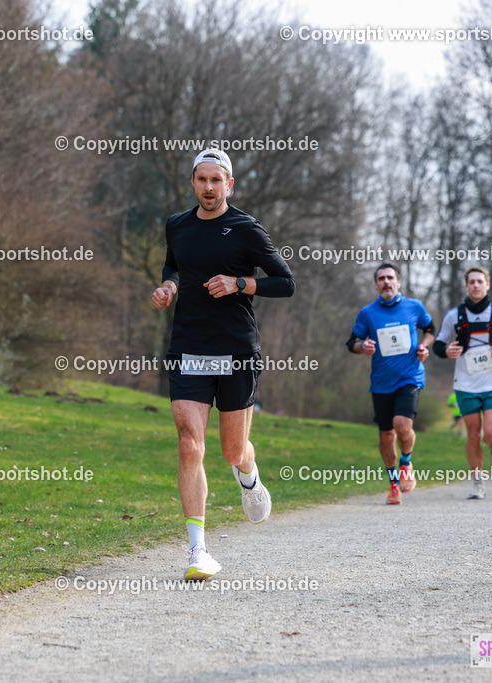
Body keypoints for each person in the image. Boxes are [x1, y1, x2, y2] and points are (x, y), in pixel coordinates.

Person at [152, 149, 295, 580]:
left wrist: (240, 283)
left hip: (236, 351)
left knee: (232, 449)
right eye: (202, 179)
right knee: (188, 445)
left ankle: (248, 475)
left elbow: (285, 283)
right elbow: (174, 264)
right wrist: (168, 286)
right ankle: (197, 551)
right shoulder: (177, 225)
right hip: (189, 347)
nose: (209, 188)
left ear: (229, 184)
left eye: (217, 180)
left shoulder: (247, 229)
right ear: (193, 183)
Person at [346, 263, 435, 505]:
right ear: (376, 285)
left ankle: (406, 464)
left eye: (390, 278)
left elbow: (429, 329)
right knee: (386, 436)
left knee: (402, 425)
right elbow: (352, 342)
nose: (386, 282)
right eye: (381, 278)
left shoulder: (414, 306)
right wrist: (362, 346)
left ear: (398, 282)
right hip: (381, 383)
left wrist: (424, 345)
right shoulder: (368, 313)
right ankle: (394, 483)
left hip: (410, 377)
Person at [433, 267, 492, 500]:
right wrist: (447, 351)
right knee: (473, 434)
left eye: (480, 281)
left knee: (490, 433)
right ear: (466, 286)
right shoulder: (454, 315)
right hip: (465, 384)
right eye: (472, 282)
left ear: (487, 285)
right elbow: (438, 345)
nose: (476, 285)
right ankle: (478, 482)